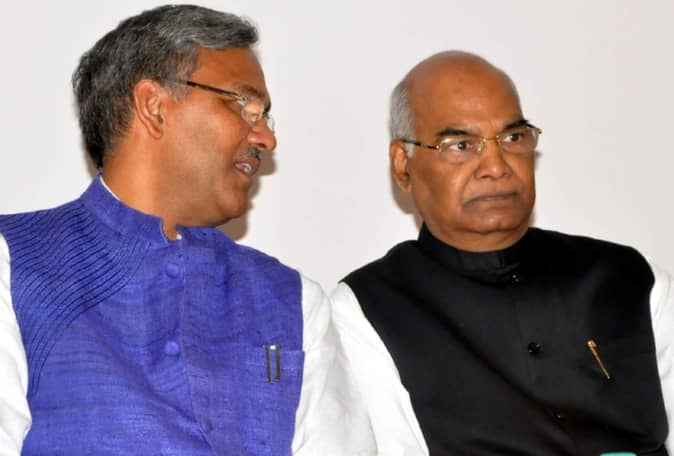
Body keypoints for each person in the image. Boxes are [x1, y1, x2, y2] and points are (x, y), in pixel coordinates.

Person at [0, 5, 373, 455]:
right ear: (153, 106)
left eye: (265, 116)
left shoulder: (293, 300)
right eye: (244, 105)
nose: (266, 138)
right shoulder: (12, 261)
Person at [331, 50, 674, 455]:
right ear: (403, 164)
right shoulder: (368, 309)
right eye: (460, 144)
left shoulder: (628, 278)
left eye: (513, 138)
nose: (496, 166)